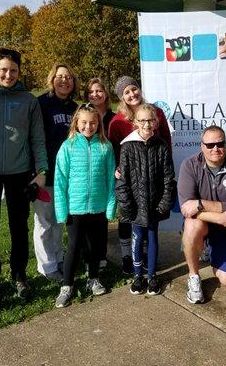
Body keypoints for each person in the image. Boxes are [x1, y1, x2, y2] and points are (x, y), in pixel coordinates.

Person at [0, 48, 48, 308]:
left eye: (13, 70)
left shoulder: (29, 100)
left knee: (18, 226)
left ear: (19, 72)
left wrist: (41, 171)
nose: (8, 74)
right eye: (3, 69)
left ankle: (19, 275)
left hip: (19, 172)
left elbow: (37, 138)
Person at [178, 126, 226, 304]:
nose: (215, 149)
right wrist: (220, 217)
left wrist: (200, 204)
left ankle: (207, 248)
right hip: (209, 222)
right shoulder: (189, 165)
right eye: (210, 145)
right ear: (201, 146)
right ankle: (194, 276)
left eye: (220, 144)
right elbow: (186, 208)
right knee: (192, 224)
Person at [53, 103, 116, 307]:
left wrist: (110, 206)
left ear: (98, 124)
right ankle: (67, 285)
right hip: (75, 208)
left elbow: (111, 179)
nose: (89, 126)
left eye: (93, 123)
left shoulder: (105, 146)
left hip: (98, 207)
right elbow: (60, 181)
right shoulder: (68, 146)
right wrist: (62, 212)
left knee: (95, 246)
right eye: (84, 123)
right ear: (77, 123)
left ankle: (93, 278)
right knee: (74, 247)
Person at [108, 76, 172, 274]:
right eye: (126, 92)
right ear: (121, 97)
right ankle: (128, 255)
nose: (132, 94)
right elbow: (113, 150)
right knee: (129, 216)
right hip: (130, 179)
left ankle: (146, 257)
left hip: (152, 176)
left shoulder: (156, 112)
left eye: (134, 89)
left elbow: (166, 142)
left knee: (150, 220)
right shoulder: (117, 121)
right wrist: (118, 170)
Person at [116, 104, 176, 295]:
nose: (146, 124)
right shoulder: (127, 147)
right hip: (135, 206)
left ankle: (151, 276)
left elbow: (168, 178)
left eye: (150, 120)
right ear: (135, 122)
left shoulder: (161, 146)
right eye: (142, 120)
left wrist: (164, 203)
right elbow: (123, 180)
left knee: (152, 238)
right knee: (137, 238)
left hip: (154, 206)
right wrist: (126, 205)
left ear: (156, 121)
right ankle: (137, 276)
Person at [33, 63, 79, 282]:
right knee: (44, 221)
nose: (64, 80)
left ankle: (58, 257)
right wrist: (38, 170)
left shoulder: (75, 108)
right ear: (52, 79)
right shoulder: (41, 103)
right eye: (60, 76)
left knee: (59, 219)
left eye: (69, 77)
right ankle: (46, 265)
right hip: (45, 172)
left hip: (67, 175)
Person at [86, 77, 116, 269]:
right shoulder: (84, 115)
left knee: (103, 216)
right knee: (87, 218)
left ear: (105, 93)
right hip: (90, 172)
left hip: (110, 170)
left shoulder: (114, 117)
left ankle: (102, 255)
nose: (95, 94)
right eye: (91, 92)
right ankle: (88, 255)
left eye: (98, 90)